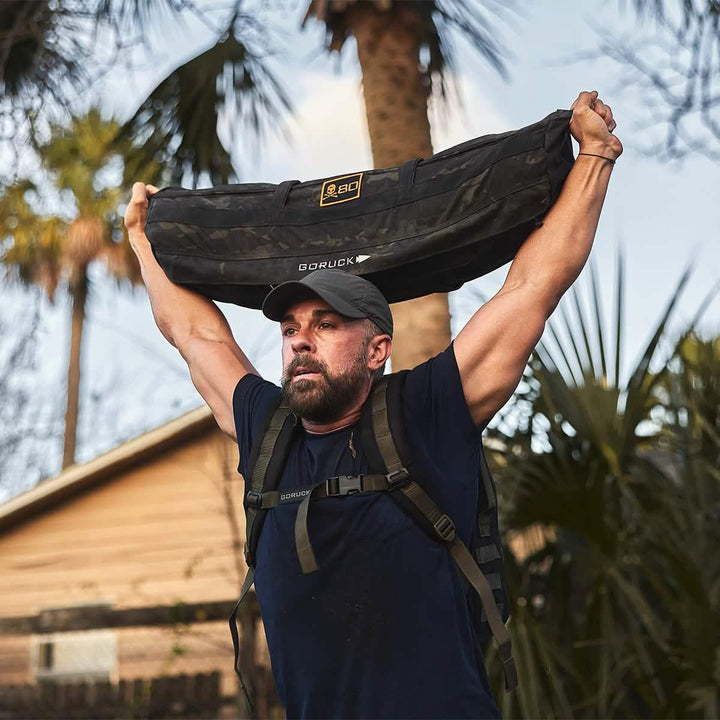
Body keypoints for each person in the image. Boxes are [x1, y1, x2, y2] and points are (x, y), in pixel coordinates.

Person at [124, 90, 621, 718]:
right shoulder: (269, 432)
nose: (301, 338)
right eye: (291, 328)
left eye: (327, 324)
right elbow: (197, 335)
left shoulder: (426, 414)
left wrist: (595, 156)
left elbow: (531, 287)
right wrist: (144, 242)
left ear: (377, 348)